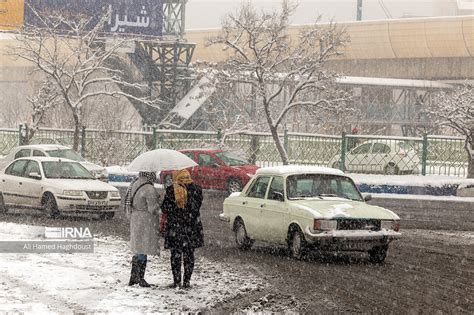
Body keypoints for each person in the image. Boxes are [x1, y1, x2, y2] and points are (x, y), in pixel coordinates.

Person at [161, 169, 203, 289]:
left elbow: (165, 209)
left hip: (176, 227)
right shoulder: (197, 189)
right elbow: (196, 208)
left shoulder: (171, 190)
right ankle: (187, 281)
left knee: (176, 255)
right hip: (192, 227)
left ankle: (177, 281)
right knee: (189, 255)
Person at [124, 171, 160, 287]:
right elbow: (152, 208)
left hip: (135, 218)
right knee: (143, 247)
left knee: (138, 247)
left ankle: (133, 277)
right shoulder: (149, 188)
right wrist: (160, 202)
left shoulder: (134, 183)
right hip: (145, 220)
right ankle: (140, 278)